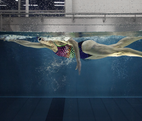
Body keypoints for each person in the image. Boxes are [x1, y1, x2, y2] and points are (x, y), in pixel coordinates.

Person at [3, 36, 142, 74]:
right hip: (86, 55)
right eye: (40, 41)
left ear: (48, 37)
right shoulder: (45, 46)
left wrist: (78, 61)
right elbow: (27, 43)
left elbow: (74, 43)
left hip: (84, 47)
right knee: (116, 49)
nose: (43, 42)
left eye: (44, 39)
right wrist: (12, 39)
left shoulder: (57, 40)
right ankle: (137, 35)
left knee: (118, 51)